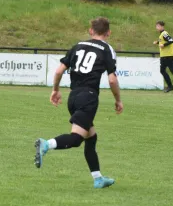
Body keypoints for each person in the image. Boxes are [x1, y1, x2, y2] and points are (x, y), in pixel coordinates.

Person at [35, 17, 123, 189]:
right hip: (89, 97)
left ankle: (98, 179)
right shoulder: (107, 49)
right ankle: (46, 144)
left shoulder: (78, 46)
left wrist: (55, 90)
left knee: (91, 137)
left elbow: (59, 70)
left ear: (91, 31)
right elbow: (112, 80)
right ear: (109, 33)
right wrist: (118, 100)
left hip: (73, 97)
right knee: (76, 139)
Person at [153, 20, 173, 93]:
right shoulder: (162, 34)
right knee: (165, 70)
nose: (156, 27)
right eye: (156, 26)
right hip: (164, 55)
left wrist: (163, 45)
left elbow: (171, 40)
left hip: (167, 55)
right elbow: (163, 41)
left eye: (158, 26)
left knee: (170, 71)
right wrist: (158, 42)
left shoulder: (164, 33)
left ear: (162, 26)